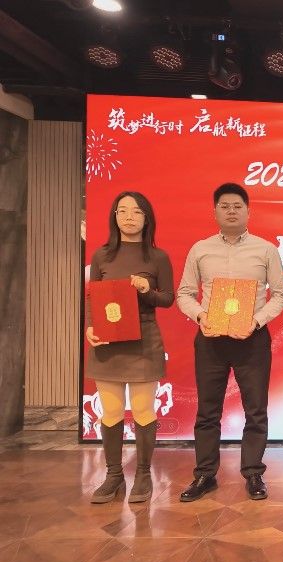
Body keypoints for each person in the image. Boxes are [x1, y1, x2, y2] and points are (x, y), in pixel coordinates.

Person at [176, 183, 283, 502]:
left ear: (248, 211)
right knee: (207, 410)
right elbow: (185, 293)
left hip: (252, 338)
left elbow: (280, 295)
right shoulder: (200, 249)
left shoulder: (265, 250)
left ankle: (253, 473)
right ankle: (205, 474)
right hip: (211, 338)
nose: (231, 211)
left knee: (256, 409)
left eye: (237, 206)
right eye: (225, 206)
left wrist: (256, 321)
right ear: (215, 212)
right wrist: (201, 316)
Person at [85, 191, 174, 504]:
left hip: (143, 342)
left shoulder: (158, 257)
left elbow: (167, 298)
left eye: (136, 212)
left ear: (146, 218)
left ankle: (143, 474)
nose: (129, 217)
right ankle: (113, 475)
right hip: (107, 343)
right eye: (122, 211)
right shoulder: (101, 255)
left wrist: (147, 289)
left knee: (142, 410)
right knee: (110, 411)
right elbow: (91, 297)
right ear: (114, 217)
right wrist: (90, 327)